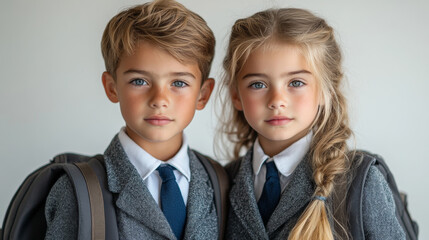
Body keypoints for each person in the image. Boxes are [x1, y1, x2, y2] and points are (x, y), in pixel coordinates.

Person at [218, 8, 405, 240]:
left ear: (325, 91)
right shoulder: (222, 182)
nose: (277, 101)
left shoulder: (359, 181)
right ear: (236, 95)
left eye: (296, 82)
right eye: (258, 84)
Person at [44, 0, 219, 239]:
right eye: (140, 81)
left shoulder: (220, 182)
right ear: (112, 87)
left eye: (179, 83)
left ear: (203, 94)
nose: (159, 99)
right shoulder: (77, 191)